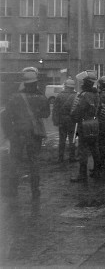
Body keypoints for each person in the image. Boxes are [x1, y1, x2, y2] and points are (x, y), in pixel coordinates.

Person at [4, 71, 50, 200]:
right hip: (34, 133)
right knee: (34, 161)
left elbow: (6, 116)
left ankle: (13, 191)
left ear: (24, 83)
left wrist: (9, 133)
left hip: (18, 133)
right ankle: (35, 191)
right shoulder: (41, 97)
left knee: (15, 161)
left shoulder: (15, 97)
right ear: (35, 83)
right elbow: (46, 114)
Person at [70, 71, 100, 182]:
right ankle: (97, 171)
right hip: (95, 123)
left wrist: (74, 116)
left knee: (83, 150)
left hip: (84, 124)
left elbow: (79, 110)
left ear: (86, 83)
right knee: (94, 148)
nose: (82, 83)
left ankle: (82, 175)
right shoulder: (96, 94)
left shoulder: (84, 95)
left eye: (83, 82)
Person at [52, 79, 78, 163]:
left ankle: (60, 157)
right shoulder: (77, 96)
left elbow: (55, 109)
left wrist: (55, 121)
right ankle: (72, 157)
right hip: (72, 120)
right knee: (72, 140)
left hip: (62, 120)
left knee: (62, 140)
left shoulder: (59, 95)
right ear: (73, 87)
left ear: (65, 86)